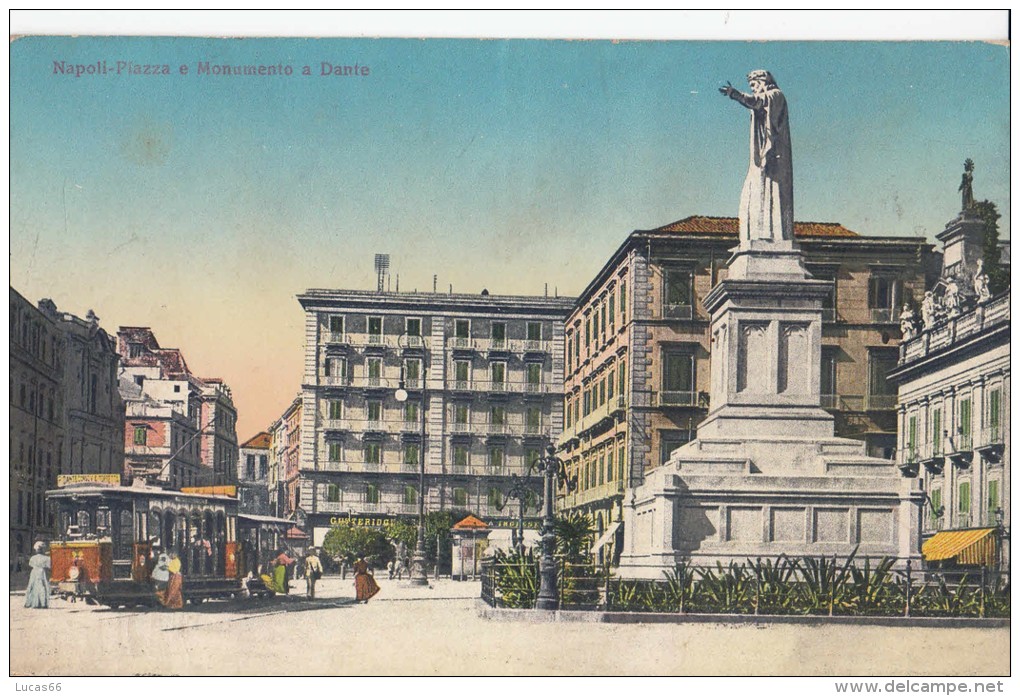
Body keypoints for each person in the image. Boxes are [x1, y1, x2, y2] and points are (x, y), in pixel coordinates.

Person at [720, 69, 794, 245]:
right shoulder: (768, 97)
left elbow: (758, 102)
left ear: (763, 82)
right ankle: (755, 236)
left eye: (754, 85)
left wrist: (737, 95)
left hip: (774, 160)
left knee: (770, 192)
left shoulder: (776, 95)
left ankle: (771, 237)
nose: (753, 89)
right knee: (752, 195)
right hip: (760, 159)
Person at [24, 541, 51, 609]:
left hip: (34, 572)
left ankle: (30, 602)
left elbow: (30, 565)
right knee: (42, 587)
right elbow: (49, 566)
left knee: (32, 586)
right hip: (42, 572)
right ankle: (42, 603)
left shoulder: (33, 558)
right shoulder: (47, 558)